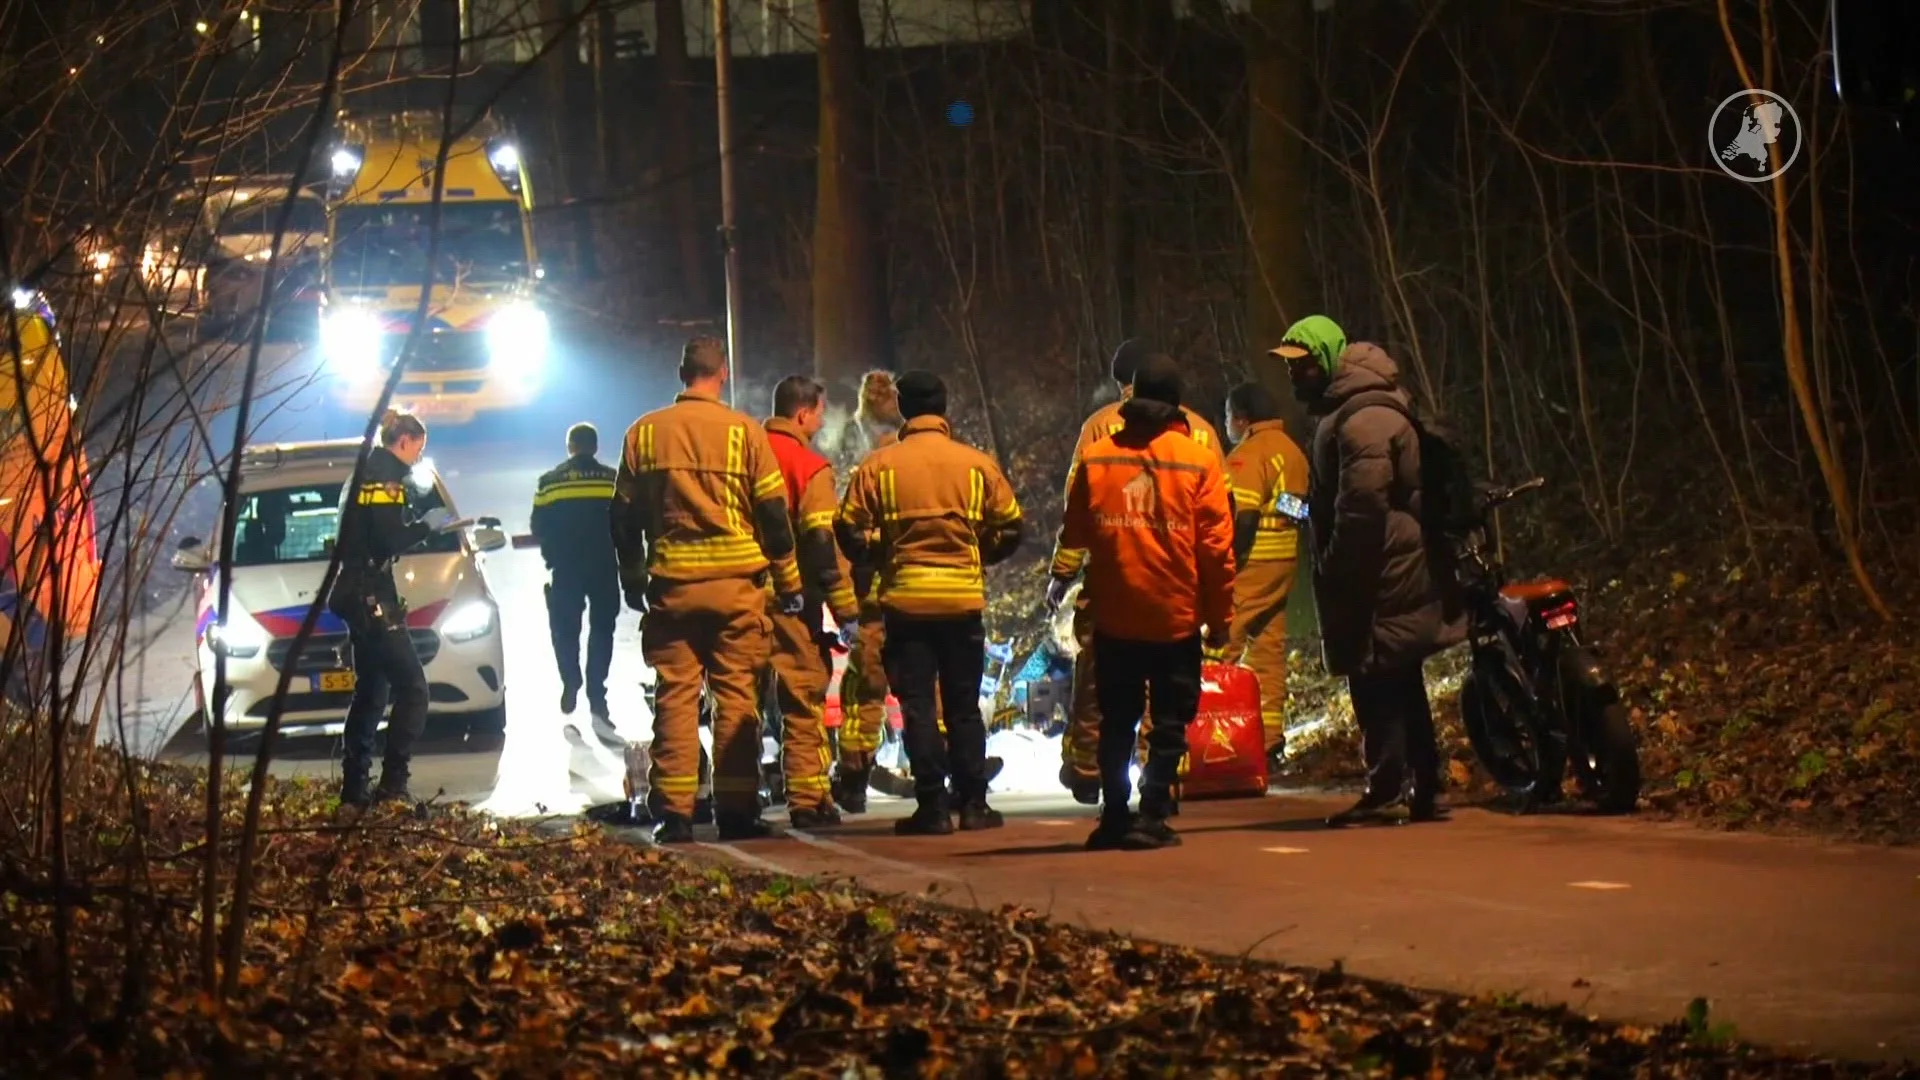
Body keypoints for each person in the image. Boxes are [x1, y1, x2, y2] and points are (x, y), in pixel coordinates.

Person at [612, 336, 806, 844]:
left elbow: (622, 517)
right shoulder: (745, 433)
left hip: (673, 588)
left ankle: (674, 815)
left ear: (682, 373)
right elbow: (773, 517)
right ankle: (737, 812)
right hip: (735, 591)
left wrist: (633, 577)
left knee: (674, 699)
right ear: (722, 373)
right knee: (737, 699)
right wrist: (789, 582)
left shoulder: (644, 434)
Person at [1272, 315, 1464, 827]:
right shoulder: (1358, 408)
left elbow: (1361, 508)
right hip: (1390, 565)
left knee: (1377, 676)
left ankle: (1390, 788)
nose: (1296, 377)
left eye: (1304, 365)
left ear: (1329, 359)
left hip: (1382, 572)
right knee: (1398, 677)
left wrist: (1337, 566)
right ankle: (1422, 787)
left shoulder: (1360, 419)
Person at [1049, 354, 1235, 850]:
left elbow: (1075, 531)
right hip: (1175, 616)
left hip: (1113, 614)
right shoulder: (1199, 460)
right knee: (1170, 718)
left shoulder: (1097, 456)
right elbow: (1216, 551)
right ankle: (1153, 811)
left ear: (1128, 396)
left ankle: (1114, 814)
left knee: (1117, 718)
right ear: (1176, 404)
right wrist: (1221, 619)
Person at [836, 371, 1023, 835]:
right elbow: (1013, 526)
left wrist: (875, 555)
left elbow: (847, 526)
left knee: (918, 705)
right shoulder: (976, 464)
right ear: (943, 407)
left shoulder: (880, 466)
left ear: (904, 408)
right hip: (962, 602)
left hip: (907, 604)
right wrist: (982, 556)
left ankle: (932, 809)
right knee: (961, 705)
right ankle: (975, 804)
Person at [329, 408, 466, 807]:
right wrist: (429, 525)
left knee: (372, 691)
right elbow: (389, 541)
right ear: (402, 441)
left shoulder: (361, 472)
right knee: (414, 690)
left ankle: (354, 790)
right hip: (370, 592)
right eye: (417, 450)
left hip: (356, 589)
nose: (417, 459)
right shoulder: (387, 478)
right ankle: (393, 786)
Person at [762, 375, 861, 829]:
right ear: (803, 413)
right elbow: (821, 545)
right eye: (820, 414)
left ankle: (737, 804)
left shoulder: (743, 457)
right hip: (791, 601)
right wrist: (846, 612)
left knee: (737, 704)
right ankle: (807, 799)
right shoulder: (808, 466)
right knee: (802, 696)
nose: (822, 422)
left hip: (740, 599)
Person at [1221, 382, 1309, 761]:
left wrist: (1228, 564)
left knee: (1220, 642)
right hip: (1284, 562)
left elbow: (1245, 518)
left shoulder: (1247, 454)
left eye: (1227, 418)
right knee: (1267, 650)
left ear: (1241, 419)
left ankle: (1208, 735)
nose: (1226, 425)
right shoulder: (1293, 452)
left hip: (1253, 564)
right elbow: (1300, 510)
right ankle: (1270, 738)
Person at [530, 422, 620, 738]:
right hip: (604, 567)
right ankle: (597, 693)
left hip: (566, 568)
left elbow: (537, 524)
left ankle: (571, 680)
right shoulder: (612, 480)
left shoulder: (550, 482)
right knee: (603, 630)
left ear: (570, 447)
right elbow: (627, 522)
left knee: (565, 630)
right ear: (594, 448)